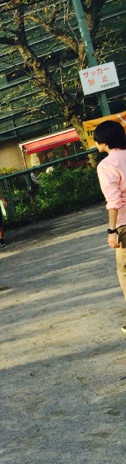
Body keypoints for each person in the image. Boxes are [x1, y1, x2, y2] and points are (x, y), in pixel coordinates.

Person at [93, 120, 126, 332]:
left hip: (124, 224)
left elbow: (114, 201)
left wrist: (112, 230)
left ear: (104, 140)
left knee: (124, 270)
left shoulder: (107, 165)